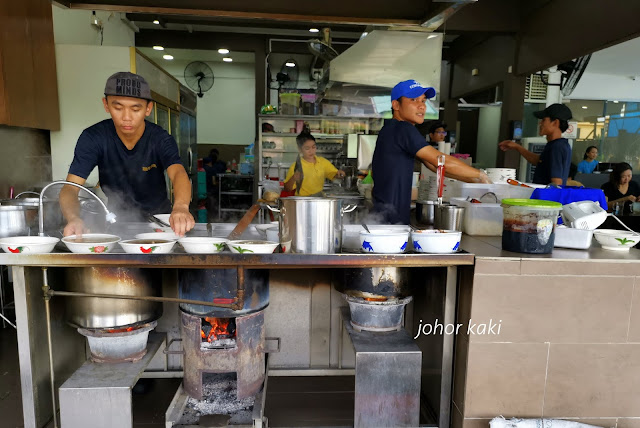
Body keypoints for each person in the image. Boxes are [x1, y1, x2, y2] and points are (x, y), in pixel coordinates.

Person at [60, 72, 195, 236]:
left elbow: (178, 173)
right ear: (106, 105)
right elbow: (70, 188)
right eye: (118, 108)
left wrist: (181, 207)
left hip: (161, 222)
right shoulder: (93, 138)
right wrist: (73, 218)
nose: (126, 117)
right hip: (117, 222)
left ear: (148, 108)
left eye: (135, 109)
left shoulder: (160, 139)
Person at [371, 80, 490, 224]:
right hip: (391, 221)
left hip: (384, 216)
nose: (421, 106)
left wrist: (478, 182)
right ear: (396, 105)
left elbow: (434, 166)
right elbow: (439, 160)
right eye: (413, 100)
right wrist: (480, 174)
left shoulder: (391, 129)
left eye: (423, 100)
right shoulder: (403, 129)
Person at [499, 103, 572, 186]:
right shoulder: (557, 145)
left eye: (544, 120)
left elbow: (557, 183)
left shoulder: (557, 147)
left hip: (545, 198)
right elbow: (539, 161)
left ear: (555, 122)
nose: (540, 123)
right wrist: (517, 147)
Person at [283, 132, 345, 196]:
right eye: (307, 148)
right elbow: (287, 188)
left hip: (319, 199)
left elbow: (334, 174)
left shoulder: (322, 162)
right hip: (303, 201)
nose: (311, 151)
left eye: (313, 147)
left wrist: (340, 174)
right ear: (300, 149)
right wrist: (293, 178)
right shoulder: (296, 166)